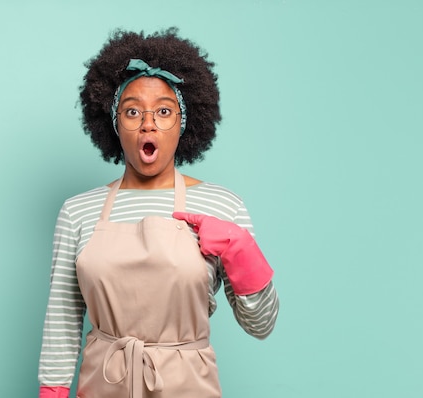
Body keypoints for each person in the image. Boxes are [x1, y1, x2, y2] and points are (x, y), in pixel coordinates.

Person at [38, 28, 279, 398]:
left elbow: (261, 325)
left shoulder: (222, 206)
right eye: (132, 111)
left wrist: (241, 249)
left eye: (164, 111)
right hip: (103, 384)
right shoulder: (78, 211)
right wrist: (51, 393)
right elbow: (62, 320)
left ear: (183, 123)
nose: (148, 123)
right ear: (114, 123)